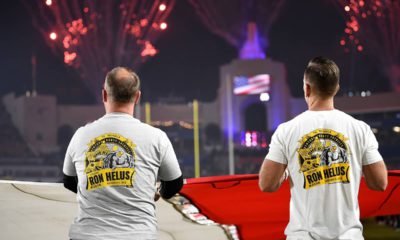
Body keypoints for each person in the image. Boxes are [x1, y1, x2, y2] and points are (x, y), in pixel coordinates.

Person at [259, 57, 388, 239]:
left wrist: (287, 170)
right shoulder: (360, 129)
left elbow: (267, 184)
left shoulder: (286, 130)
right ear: (336, 88)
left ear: (307, 88)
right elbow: (380, 183)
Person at [63, 67, 183, 240]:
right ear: (137, 97)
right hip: (139, 235)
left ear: (104, 95)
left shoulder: (80, 135)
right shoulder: (157, 137)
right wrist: (155, 191)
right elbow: (174, 184)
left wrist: (98, 188)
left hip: (88, 235)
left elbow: (68, 181)